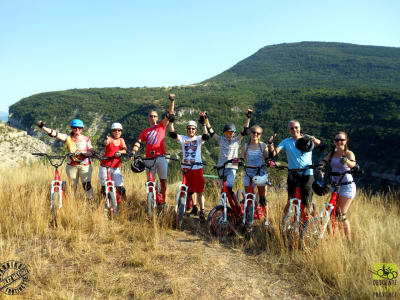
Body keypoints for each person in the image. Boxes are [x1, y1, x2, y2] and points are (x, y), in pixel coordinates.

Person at [269, 120, 321, 216]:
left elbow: (321, 146)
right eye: (292, 128)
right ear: (289, 130)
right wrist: (271, 144)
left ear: (300, 128)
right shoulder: (286, 141)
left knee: (307, 200)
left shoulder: (307, 139)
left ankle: (309, 220)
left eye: (296, 127)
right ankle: (285, 222)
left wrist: (312, 138)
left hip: (307, 173)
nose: (294, 129)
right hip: (293, 173)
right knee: (290, 199)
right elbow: (274, 154)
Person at [131, 94, 175, 206]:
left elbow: (169, 114)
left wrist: (172, 101)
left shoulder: (161, 126)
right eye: (151, 116)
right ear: (148, 118)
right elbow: (138, 142)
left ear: (157, 118)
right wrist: (133, 152)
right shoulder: (144, 131)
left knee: (163, 181)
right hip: (149, 159)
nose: (153, 118)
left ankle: (164, 201)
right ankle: (151, 199)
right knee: (150, 181)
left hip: (160, 157)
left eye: (155, 116)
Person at [36, 119, 95, 199]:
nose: (77, 129)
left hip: (85, 165)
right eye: (75, 128)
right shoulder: (68, 138)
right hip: (72, 166)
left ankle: (90, 201)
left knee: (87, 185)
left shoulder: (86, 139)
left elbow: (91, 150)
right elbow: (55, 134)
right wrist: (42, 127)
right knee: (72, 187)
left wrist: (87, 153)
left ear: (82, 128)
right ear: (72, 128)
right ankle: (73, 203)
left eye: (79, 128)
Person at [205, 109, 252, 207]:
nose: (229, 135)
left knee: (229, 188)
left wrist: (248, 118)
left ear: (234, 133)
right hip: (221, 168)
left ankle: (238, 207)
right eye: (227, 133)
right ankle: (224, 209)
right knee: (223, 190)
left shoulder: (237, 140)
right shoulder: (221, 140)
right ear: (224, 134)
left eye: (231, 133)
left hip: (231, 168)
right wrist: (206, 119)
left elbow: (244, 131)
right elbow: (211, 131)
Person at [168, 113, 209, 220]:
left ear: (195, 130)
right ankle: (194, 207)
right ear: (187, 129)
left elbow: (206, 136)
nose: (191, 130)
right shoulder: (183, 138)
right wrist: (171, 122)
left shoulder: (199, 138)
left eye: (193, 129)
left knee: (199, 191)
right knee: (189, 190)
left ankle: (202, 210)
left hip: (197, 168)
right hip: (186, 168)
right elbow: (172, 134)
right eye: (189, 128)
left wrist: (203, 124)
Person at [322, 131, 356, 241]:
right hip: (335, 185)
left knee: (341, 215)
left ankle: (348, 240)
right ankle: (333, 237)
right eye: (337, 140)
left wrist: (346, 161)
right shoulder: (332, 153)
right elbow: (324, 161)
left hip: (347, 186)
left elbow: (353, 164)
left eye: (342, 140)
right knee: (332, 213)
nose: (339, 142)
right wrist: (321, 167)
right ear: (334, 141)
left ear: (346, 141)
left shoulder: (348, 153)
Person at [240, 125, 271, 228]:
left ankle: (266, 220)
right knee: (249, 197)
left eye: (258, 133)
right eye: (253, 132)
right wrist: (239, 161)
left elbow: (267, 159)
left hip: (260, 173)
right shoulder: (245, 146)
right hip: (248, 174)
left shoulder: (263, 146)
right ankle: (249, 219)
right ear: (250, 133)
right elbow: (241, 158)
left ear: (260, 135)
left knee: (262, 197)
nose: (255, 134)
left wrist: (269, 161)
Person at [99, 122, 127, 203]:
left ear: (121, 131)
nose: (117, 132)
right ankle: (104, 204)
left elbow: (125, 149)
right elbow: (105, 143)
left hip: (116, 167)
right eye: (115, 130)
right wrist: (105, 141)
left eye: (119, 130)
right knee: (104, 187)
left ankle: (124, 203)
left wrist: (120, 152)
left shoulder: (121, 140)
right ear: (112, 131)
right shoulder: (110, 139)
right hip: (105, 166)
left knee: (120, 187)